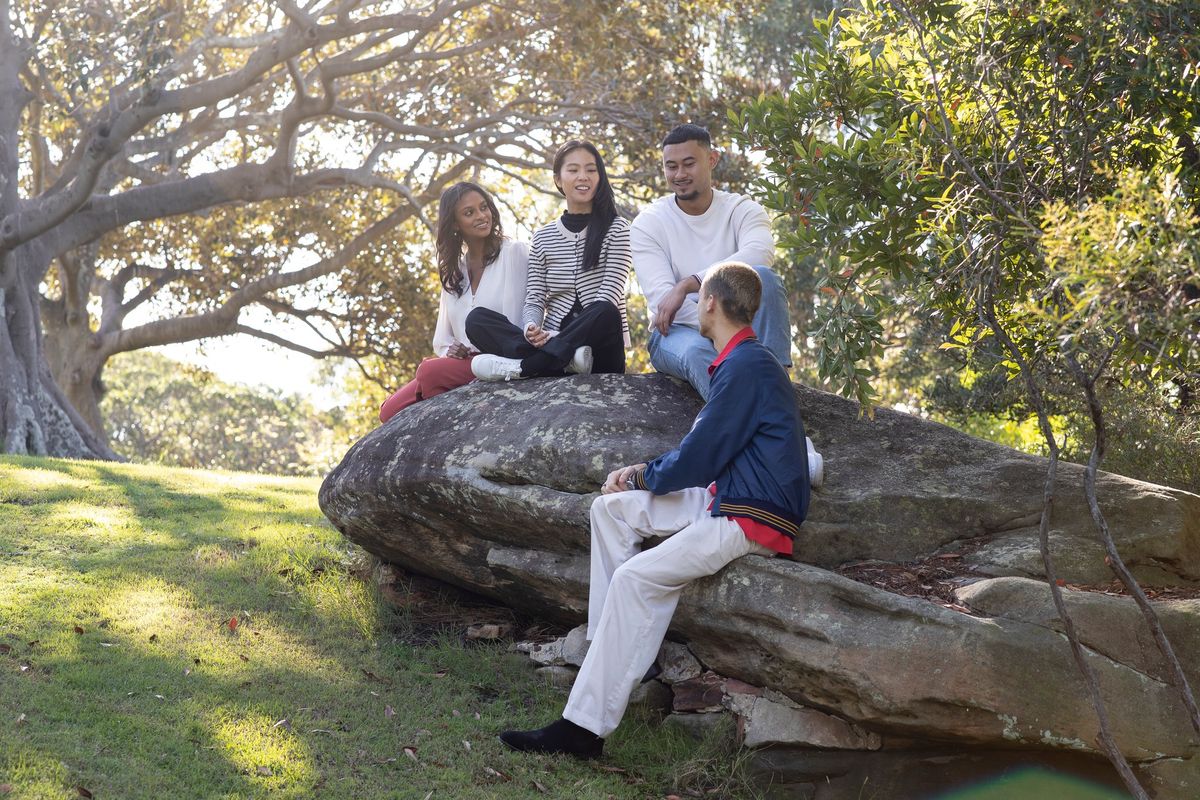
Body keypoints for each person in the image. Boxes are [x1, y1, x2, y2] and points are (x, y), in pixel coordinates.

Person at [499, 262, 811, 759]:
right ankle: (614, 656)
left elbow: (703, 452)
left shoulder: (748, 365)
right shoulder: (739, 360)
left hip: (751, 515)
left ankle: (582, 731)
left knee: (635, 580)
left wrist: (645, 473)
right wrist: (638, 475)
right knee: (613, 511)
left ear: (709, 302)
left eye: (698, 297)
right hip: (727, 493)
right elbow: (707, 451)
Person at [632, 123, 793, 401]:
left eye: (689, 164)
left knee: (765, 278)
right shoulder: (649, 223)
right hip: (676, 334)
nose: (680, 174)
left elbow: (760, 252)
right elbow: (665, 306)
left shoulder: (742, 209)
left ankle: (777, 393)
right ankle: (769, 422)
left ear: (712, 159)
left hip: (741, 334)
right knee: (698, 352)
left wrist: (689, 283)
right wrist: (722, 332)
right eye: (671, 166)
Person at [468, 140, 631, 381]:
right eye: (573, 170)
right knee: (476, 319)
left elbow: (610, 291)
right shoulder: (543, 237)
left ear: (600, 177)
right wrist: (531, 328)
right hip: (555, 339)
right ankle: (562, 360)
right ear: (558, 179)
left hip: (599, 348)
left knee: (606, 311)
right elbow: (534, 297)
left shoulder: (617, 228)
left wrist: (557, 338)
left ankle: (526, 367)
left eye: (591, 170)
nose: (583, 177)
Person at [378, 182, 528, 422]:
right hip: (465, 364)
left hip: (502, 358)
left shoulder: (515, 253)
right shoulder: (455, 271)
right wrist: (452, 349)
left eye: (484, 207)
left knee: (428, 371)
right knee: (388, 411)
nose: (481, 216)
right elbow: (443, 337)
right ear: (456, 225)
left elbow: (534, 308)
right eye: (469, 213)